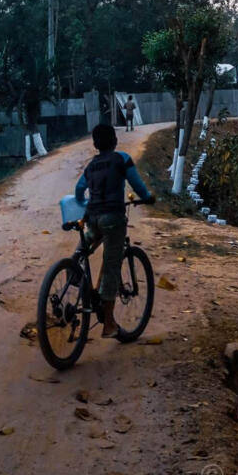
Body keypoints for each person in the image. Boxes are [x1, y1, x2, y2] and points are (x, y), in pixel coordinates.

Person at [75, 123, 155, 338]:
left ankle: (73, 268)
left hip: (93, 217)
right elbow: (137, 185)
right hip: (113, 218)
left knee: (87, 241)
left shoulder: (91, 166)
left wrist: (83, 203)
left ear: (94, 144)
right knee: (112, 265)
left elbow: (79, 189)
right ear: (115, 141)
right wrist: (147, 197)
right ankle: (109, 323)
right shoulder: (122, 159)